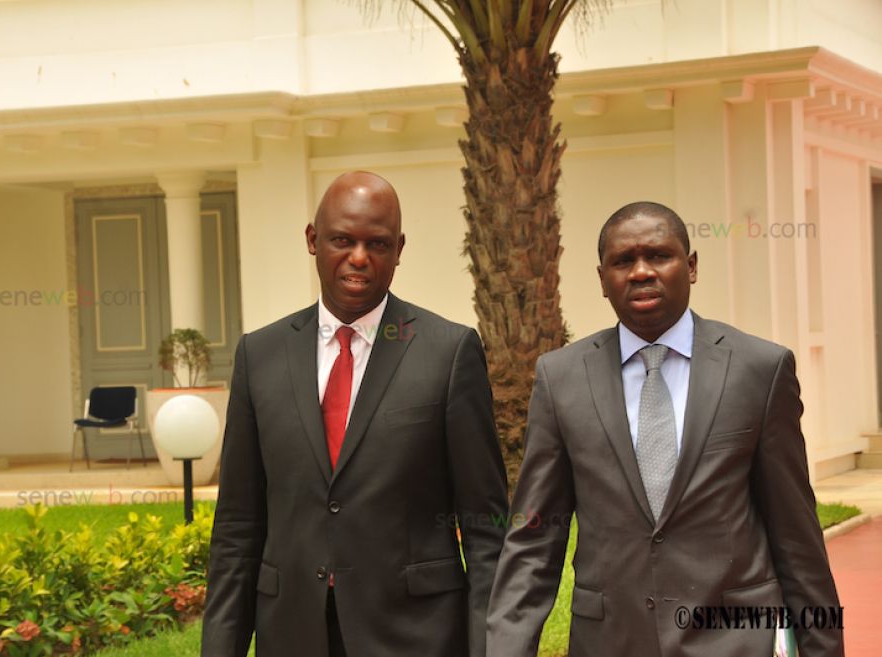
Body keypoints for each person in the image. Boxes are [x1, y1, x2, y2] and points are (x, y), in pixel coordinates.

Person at [487, 202, 843, 657]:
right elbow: (534, 541)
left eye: (658, 256)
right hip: (611, 642)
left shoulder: (759, 369)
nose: (640, 272)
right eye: (623, 261)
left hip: (734, 641)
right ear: (601, 279)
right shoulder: (562, 379)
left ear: (691, 267)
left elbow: (797, 538)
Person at [201, 171, 508, 657]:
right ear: (312, 240)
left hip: (416, 635)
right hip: (292, 633)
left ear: (399, 248)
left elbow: (485, 524)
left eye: (377, 243)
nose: (359, 258)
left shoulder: (448, 352)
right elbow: (238, 525)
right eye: (342, 240)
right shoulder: (259, 355)